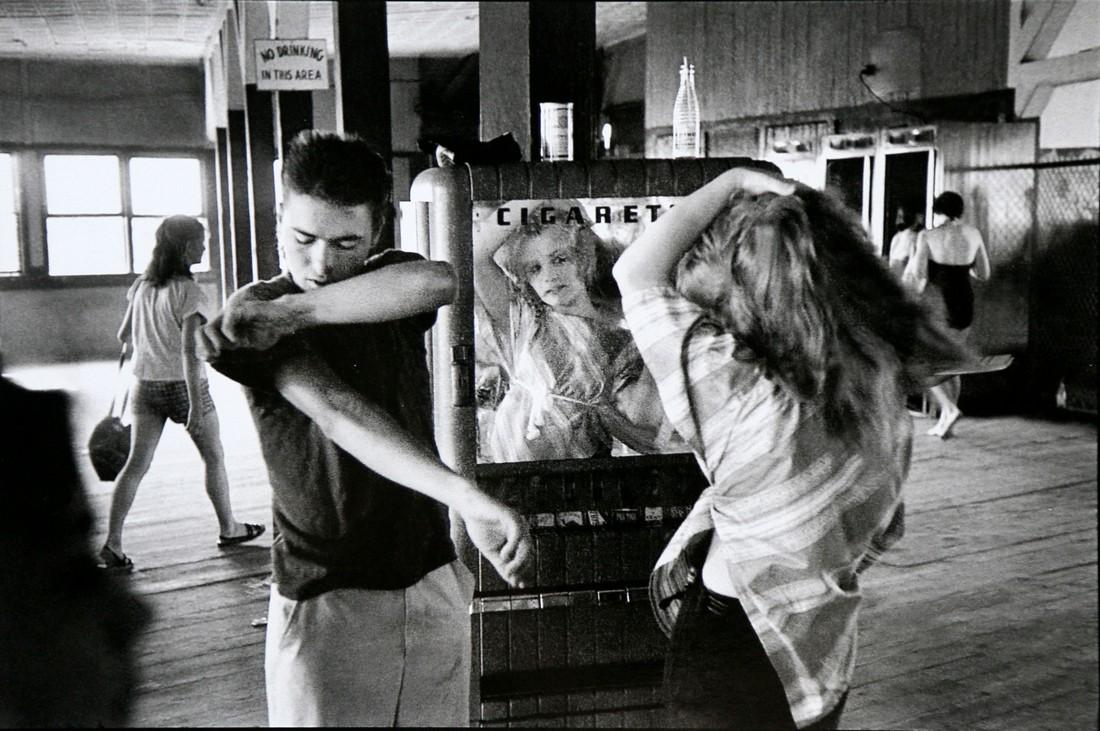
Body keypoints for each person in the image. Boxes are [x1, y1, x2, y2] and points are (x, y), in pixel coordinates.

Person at [197, 130, 533, 727]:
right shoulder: (255, 308)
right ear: (279, 220)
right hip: (329, 590)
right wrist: (466, 497)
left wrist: (293, 313)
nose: (321, 264)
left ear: (378, 232)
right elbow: (337, 411)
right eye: (302, 239)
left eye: (345, 243)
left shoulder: (377, 286)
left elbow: (439, 280)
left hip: (428, 574)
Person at [613, 167, 968, 729]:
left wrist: (730, 180)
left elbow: (634, 271)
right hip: (821, 653)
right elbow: (883, 530)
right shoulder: (881, 397)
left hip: (729, 645)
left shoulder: (738, 389)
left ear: (745, 293)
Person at [99, 215, 264, 572]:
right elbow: (191, 355)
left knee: (136, 465)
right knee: (214, 456)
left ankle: (113, 543)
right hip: (182, 387)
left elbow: (123, 335)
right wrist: (194, 407)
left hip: (145, 385)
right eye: (202, 241)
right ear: (187, 247)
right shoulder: (190, 292)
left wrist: (152, 333)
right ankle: (230, 528)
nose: (205, 247)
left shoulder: (142, 286)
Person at [473, 201, 680, 462]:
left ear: (584, 260)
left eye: (560, 259)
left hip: (579, 471)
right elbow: (477, 255)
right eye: (534, 269)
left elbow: (644, 424)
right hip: (510, 465)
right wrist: (536, 196)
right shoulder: (526, 320)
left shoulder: (624, 342)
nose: (549, 275)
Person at [904, 191, 991, 438]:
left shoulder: (927, 235)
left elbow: (919, 276)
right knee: (952, 362)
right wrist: (961, 269)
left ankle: (949, 408)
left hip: (938, 305)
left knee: (921, 362)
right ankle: (946, 421)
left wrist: (910, 302)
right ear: (960, 211)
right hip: (964, 304)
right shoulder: (973, 234)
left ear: (937, 211)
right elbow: (984, 273)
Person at [887, 201, 925, 278]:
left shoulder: (917, 239)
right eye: (898, 216)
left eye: (900, 217)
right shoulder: (896, 238)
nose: (898, 221)